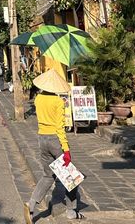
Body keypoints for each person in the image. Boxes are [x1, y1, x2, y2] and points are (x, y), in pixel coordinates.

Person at [24, 69, 82, 223]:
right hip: (55, 140)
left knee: (47, 175)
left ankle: (31, 204)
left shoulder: (38, 99)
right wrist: (66, 149)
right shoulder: (58, 101)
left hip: (41, 138)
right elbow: (59, 127)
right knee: (71, 177)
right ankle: (71, 211)